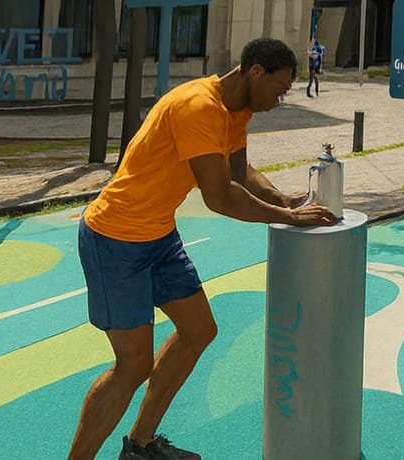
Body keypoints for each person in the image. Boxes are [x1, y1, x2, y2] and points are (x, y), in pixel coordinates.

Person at [67, 38, 338, 460]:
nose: (281, 99)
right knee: (133, 365)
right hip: (115, 238)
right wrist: (286, 217)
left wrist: (285, 200)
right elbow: (220, 196)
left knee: (198, 331)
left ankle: (140, 446)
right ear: (256, 72)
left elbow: (239, 173)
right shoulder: (197, 107)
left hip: (158, 235)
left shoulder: (237, 110)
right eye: (280, 88)